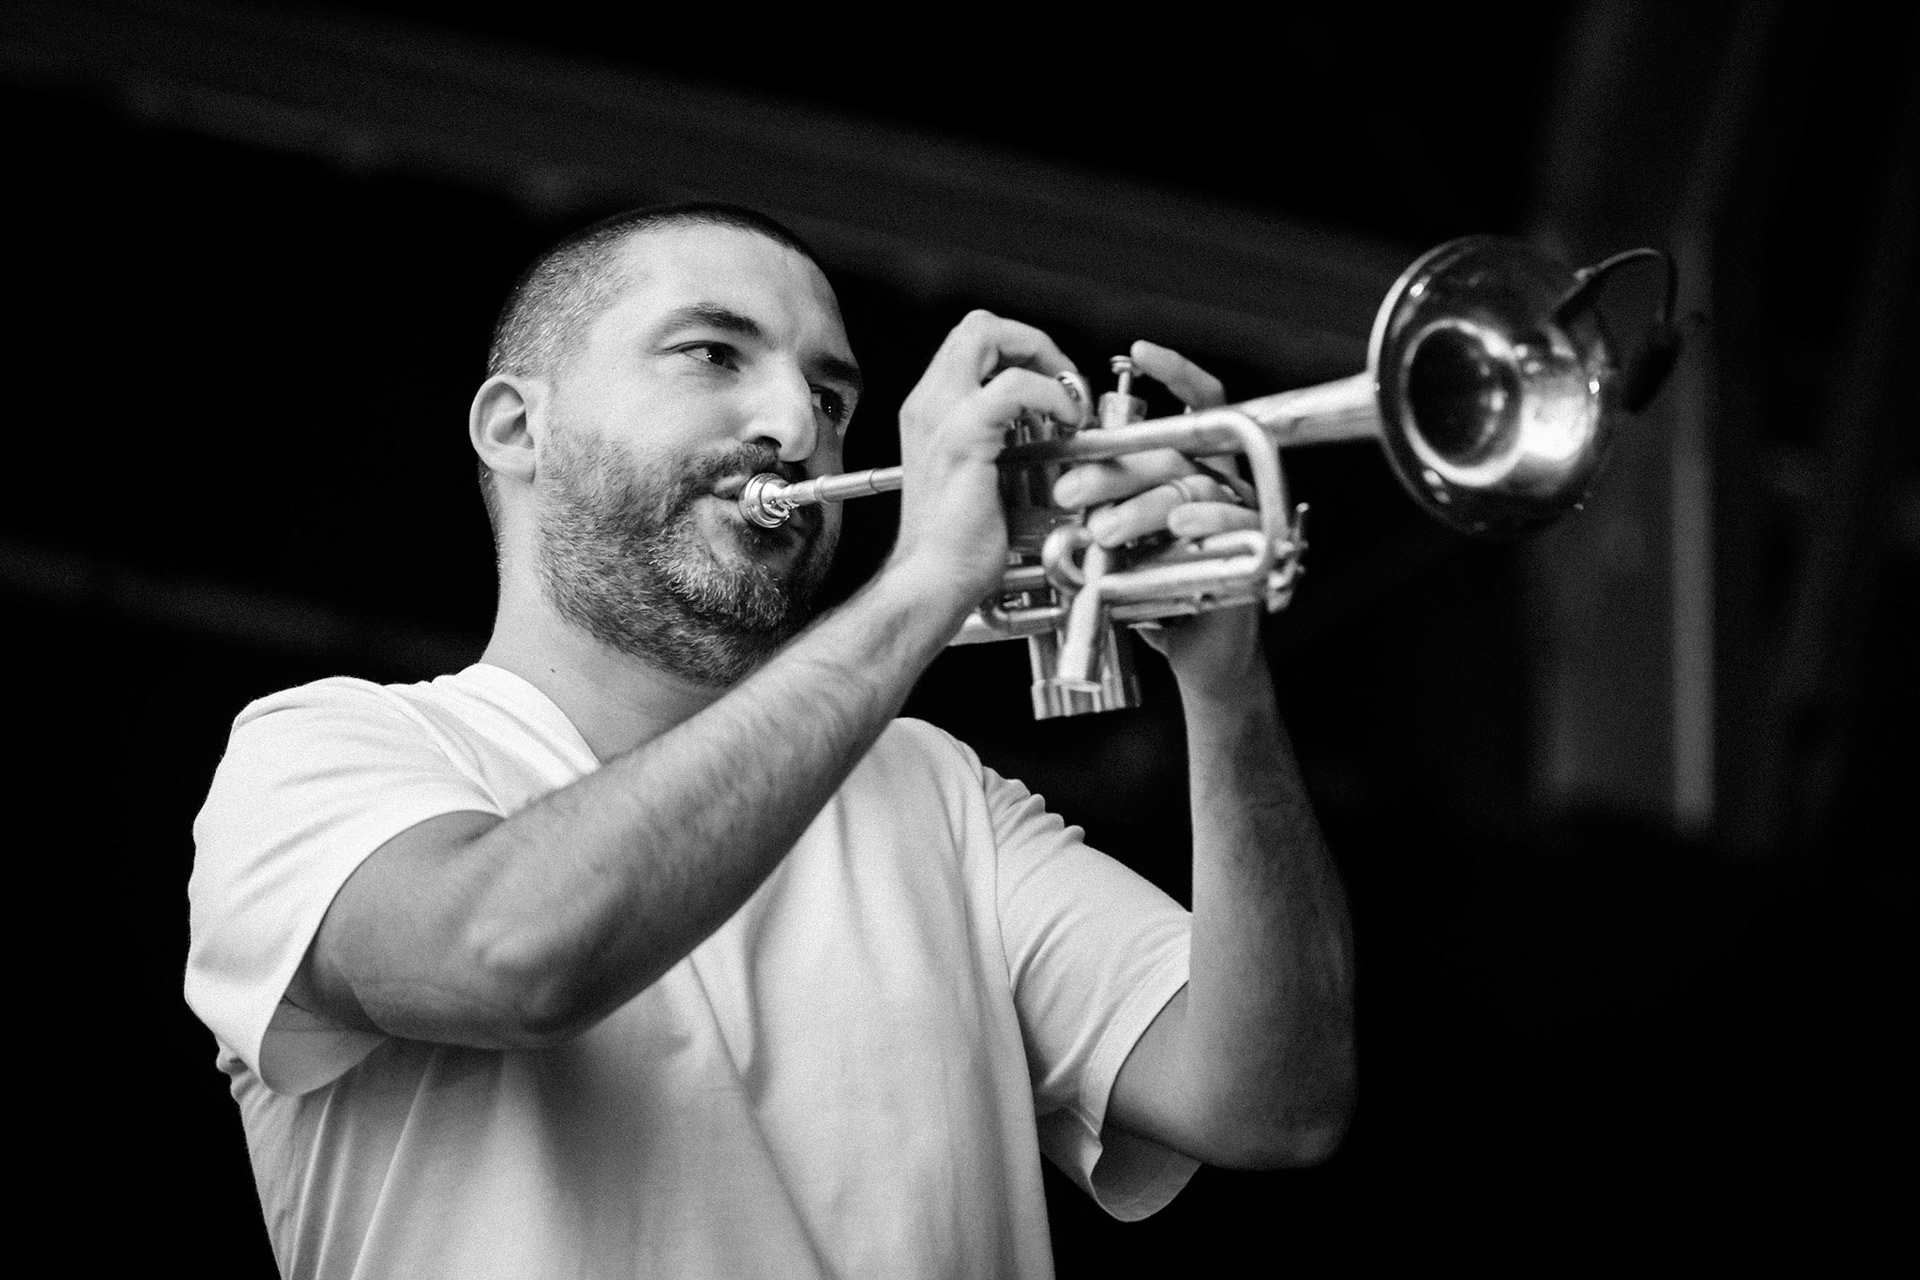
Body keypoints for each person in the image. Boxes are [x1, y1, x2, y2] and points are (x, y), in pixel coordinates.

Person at [186, 202, 1356, 1279]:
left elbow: (1273, 1099)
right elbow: (510, 958)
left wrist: (1230, 691)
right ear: (515, 425)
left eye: (834, 397)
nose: (797, 426)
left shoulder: (931, 789)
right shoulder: (324, 750)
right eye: (712, 353)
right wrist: (923, 582)